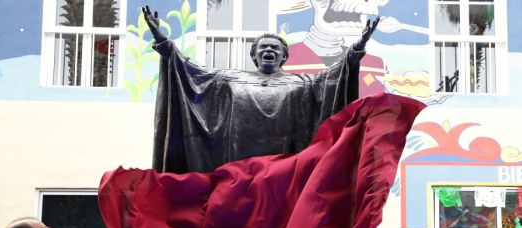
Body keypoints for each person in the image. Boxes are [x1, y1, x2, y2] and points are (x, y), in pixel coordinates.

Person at [141, 5, 380, 173]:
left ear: (285, 56)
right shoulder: (230, 79)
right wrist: (163, 41)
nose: (269, 51)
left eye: (275, 48)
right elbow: (188, 71)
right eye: (263, 47)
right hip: (236, 165)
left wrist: (355, 50)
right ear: (254, 55)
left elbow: (333, 79)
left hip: (282, 167)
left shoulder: (302, 83)